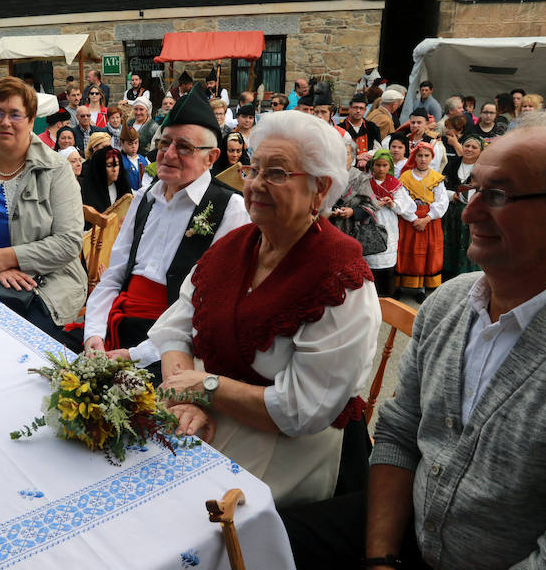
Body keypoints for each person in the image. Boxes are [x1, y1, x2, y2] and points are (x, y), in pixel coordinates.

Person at [281, 115, 546, 570]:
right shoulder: (449, 303)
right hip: (403, 525)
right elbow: (399, 432)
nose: (469, 213)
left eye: (499, 196)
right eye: (477, 190)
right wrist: (381, 558)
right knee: (257, 542)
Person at [149, 110, 380, 507]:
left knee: (191, 519)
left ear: (320, 190)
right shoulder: (234, 245)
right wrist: (188, 399)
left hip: (291, 452)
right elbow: (174, 329)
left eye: (275, 173)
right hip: (211, 417)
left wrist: (205, 387)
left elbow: (299, 411)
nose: (255, 184)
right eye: (252, 169)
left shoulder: (340, 276)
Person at [83, 86, 249, 379]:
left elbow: (212, 308)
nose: (168, 154)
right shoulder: (145, 198)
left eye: (183, 147)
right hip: (118, 324)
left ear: (211, 157)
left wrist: (139, 354)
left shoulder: (230, 209)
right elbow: (114, 274)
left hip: (175, 343)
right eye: (163, 143)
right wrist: (94, 334)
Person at [0, 77, 87, 341]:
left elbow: (69, 242)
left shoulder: (56, 170)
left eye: (15, 114)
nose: (4, 122)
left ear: (31, 121)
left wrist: (8, 257)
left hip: (47, 285)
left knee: (22, 343)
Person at [396, 141, 448, 303]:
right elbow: (402, 200)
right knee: (406, 249)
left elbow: (442, 201)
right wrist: (413, 218)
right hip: (409, 220)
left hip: (429, 220)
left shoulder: (436, 178)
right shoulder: (405, 177)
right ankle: (400, 285)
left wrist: (427, 218)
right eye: (420, 155)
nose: (423, 159)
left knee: (426, 251)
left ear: (432, 157)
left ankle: (421, 287)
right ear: (414, 157)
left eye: (427, 156)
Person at [363, 150, 416, 295]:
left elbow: (406, 205)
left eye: (384, 165)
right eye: (378, 165)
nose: (381, 169)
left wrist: (391, 204)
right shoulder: (365, 182)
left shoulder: (394, 183)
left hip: (388, 222)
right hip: (370, 220)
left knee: (387, 259)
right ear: (372, 165)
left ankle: (387, 295)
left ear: (390, 166)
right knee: (370, 258)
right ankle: (371, 294)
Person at [441, 134, 483, 280]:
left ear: (480, 151)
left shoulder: (481, 169)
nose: (469, 149)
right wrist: (452, 195)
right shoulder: (453, 164)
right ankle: (447, 274)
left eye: (474, 147)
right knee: (450, 240)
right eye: (467, 146)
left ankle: (467, 276)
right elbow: (441, 187)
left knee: (468, 243)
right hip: (451, 212)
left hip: (472, 214)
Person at [79, 145, 132, 222]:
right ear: (100, 168)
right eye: (109, 165)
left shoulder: (123, 187)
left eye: (117, 165)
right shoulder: (87, 191)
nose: (114, 169)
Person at [339, 93, 382, 169]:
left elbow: (377, 149)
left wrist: (366, 159)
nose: (358, 111)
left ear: (365, 110)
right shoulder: (340, 129)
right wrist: (356, 158)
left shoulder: (372, 127)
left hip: (367, 168)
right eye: (355, 107)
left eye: (361, 108)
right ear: (349, 109)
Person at [120, 126, 149, 190]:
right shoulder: (119, 161)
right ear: (122, 143)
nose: (134, 146)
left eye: (136, 143)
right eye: (130, 144)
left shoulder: (143, 160)